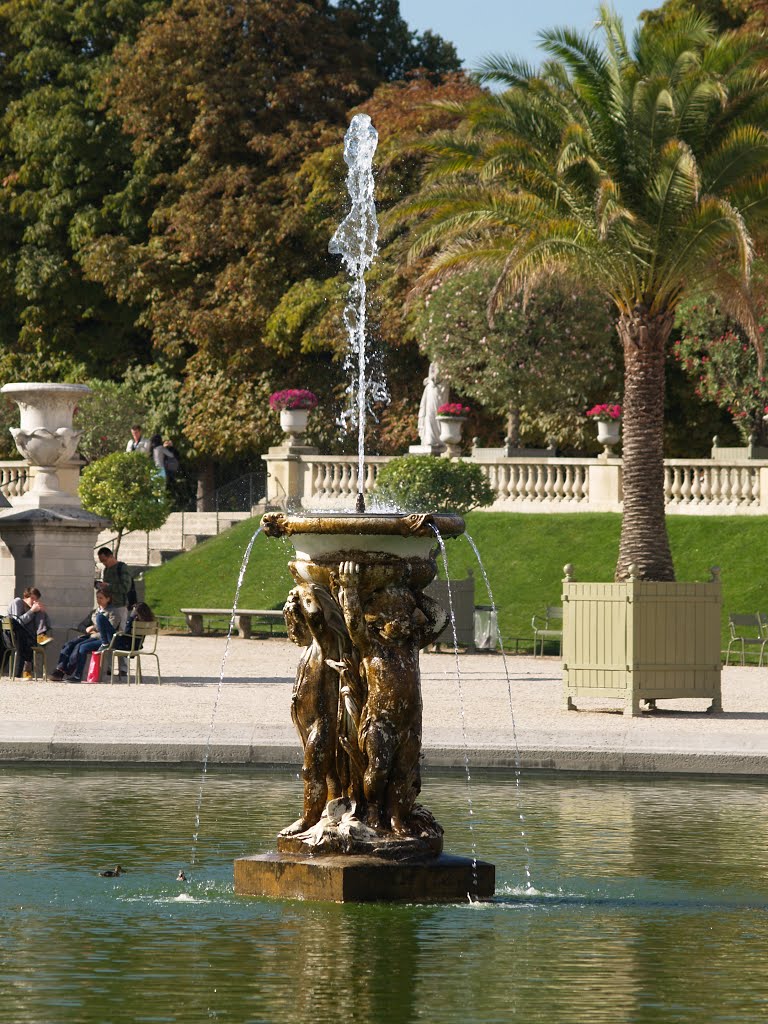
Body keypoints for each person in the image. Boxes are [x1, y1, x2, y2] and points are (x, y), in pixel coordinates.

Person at [49, 589, 121, 681]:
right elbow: (81, 626)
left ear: (108, 599)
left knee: (81, 647)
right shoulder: (94, 612)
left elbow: (111, 627)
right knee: (69, 644)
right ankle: (60, 669)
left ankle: (75, 675)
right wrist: (87, 630)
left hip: (104, 639)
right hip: (91, 636)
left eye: (101, 598)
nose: (98, 600)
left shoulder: (113, 612)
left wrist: (94, 627)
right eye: (97, 597)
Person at [8, 587, 53, 679]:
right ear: (25, 596)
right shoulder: (17, 602)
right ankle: (27, 670)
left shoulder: (33, 609)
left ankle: (41, 635)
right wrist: (32, 611)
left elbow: (48, 625)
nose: (34, 601)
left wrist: (43, 612)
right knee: (28, 640)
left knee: (39, 611)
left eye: (36, 599)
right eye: (32, 598)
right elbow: (17, 623)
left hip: (29, 637)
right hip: (14, 637)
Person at [96, 548, 133, 629]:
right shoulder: (106, 570)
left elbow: (125, 587)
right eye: (101, 561)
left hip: (119, 605)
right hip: (108, 606)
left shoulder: (122, 567)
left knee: (117, 632)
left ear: (111, 556)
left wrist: (108, 586)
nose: (104, 563)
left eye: (105, 560)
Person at [417, 362, 449, 448]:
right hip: (432, 389)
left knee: (439, 414)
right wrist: (431, 379)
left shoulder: (446, 363)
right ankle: (430, 438)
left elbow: (441, 377)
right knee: (430, 414)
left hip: (440, 389)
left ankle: (438, 438)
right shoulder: (433, 363)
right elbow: (432, 376)